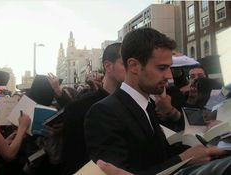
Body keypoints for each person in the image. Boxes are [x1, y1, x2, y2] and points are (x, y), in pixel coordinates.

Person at [84, 28, 229, 174]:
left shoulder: (147, 105)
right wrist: (184, 159)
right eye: (161, 68)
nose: (168, 75)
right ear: (134, 66)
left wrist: (198, 150)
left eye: (169, 68)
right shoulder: (103, 113)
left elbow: (159, 156)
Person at [61, 42, 125, 175]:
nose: (133, 69)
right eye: (125, 64)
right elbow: (72, 159)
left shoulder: (139, 105)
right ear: (108, 66)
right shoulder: (80, 107)